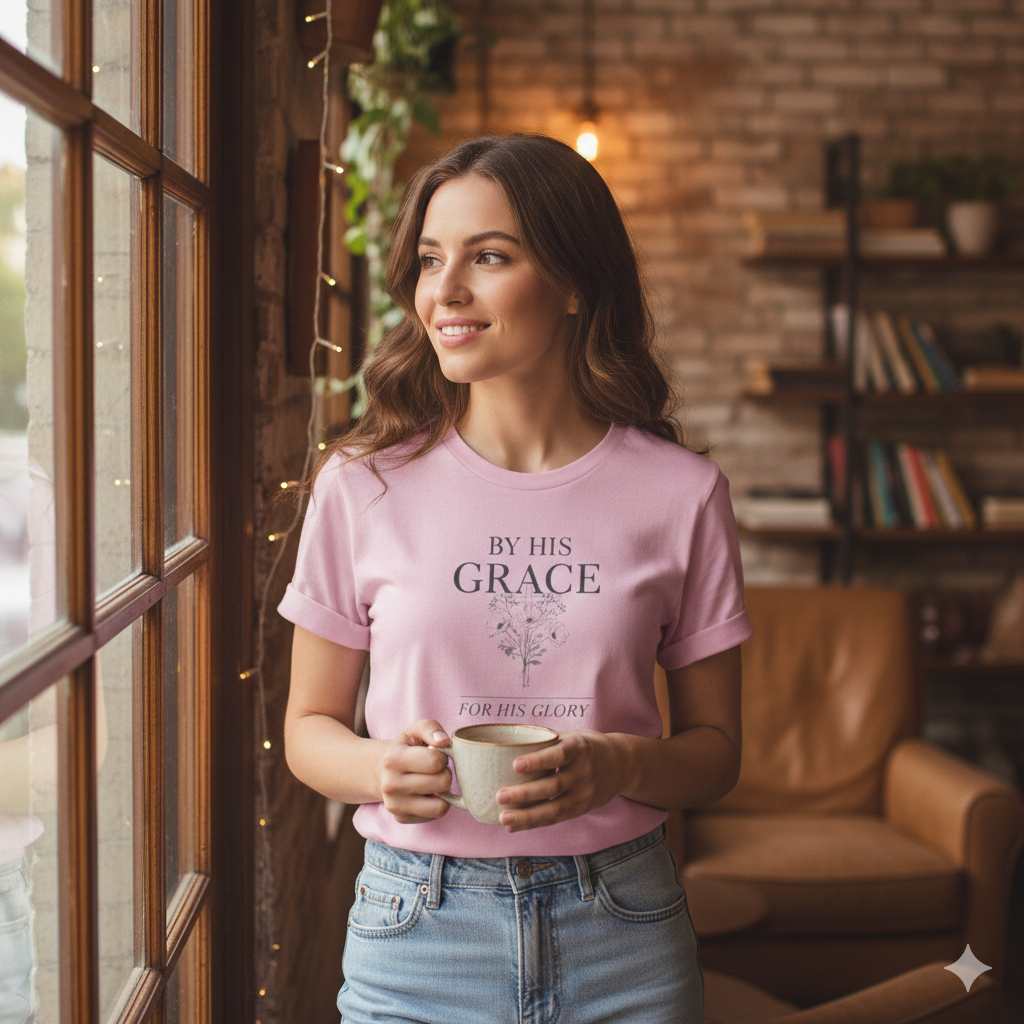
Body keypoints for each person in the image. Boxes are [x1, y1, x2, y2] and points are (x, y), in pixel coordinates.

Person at [278, 133, 752, 1024]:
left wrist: (620, 765)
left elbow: (716, 754)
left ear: (574, 283)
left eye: (488, 257)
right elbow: (307, 730)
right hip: (417, 927)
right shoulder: (360, 482)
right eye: (428, 260)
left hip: (625, 927)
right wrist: (383, 768)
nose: (443, 292)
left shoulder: (682, 495)